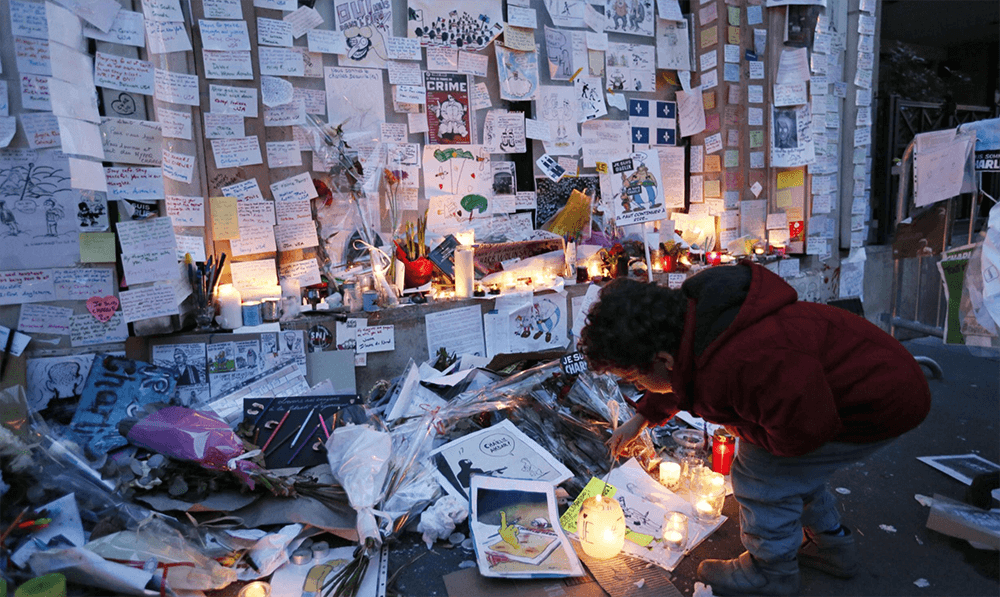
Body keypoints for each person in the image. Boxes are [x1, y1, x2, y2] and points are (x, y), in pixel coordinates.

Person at [579, 261, 931, 596]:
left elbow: (805, 432)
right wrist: (642, 417)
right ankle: (832, 546)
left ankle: (771, 572)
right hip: (855, 385)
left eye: (634, 378)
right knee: (789, 472)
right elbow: (683, 379)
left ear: (662, 360)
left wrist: (746, 435)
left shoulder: (744, 361)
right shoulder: (700, 326)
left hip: (878, 401)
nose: (637, 385)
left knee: (761, 474)